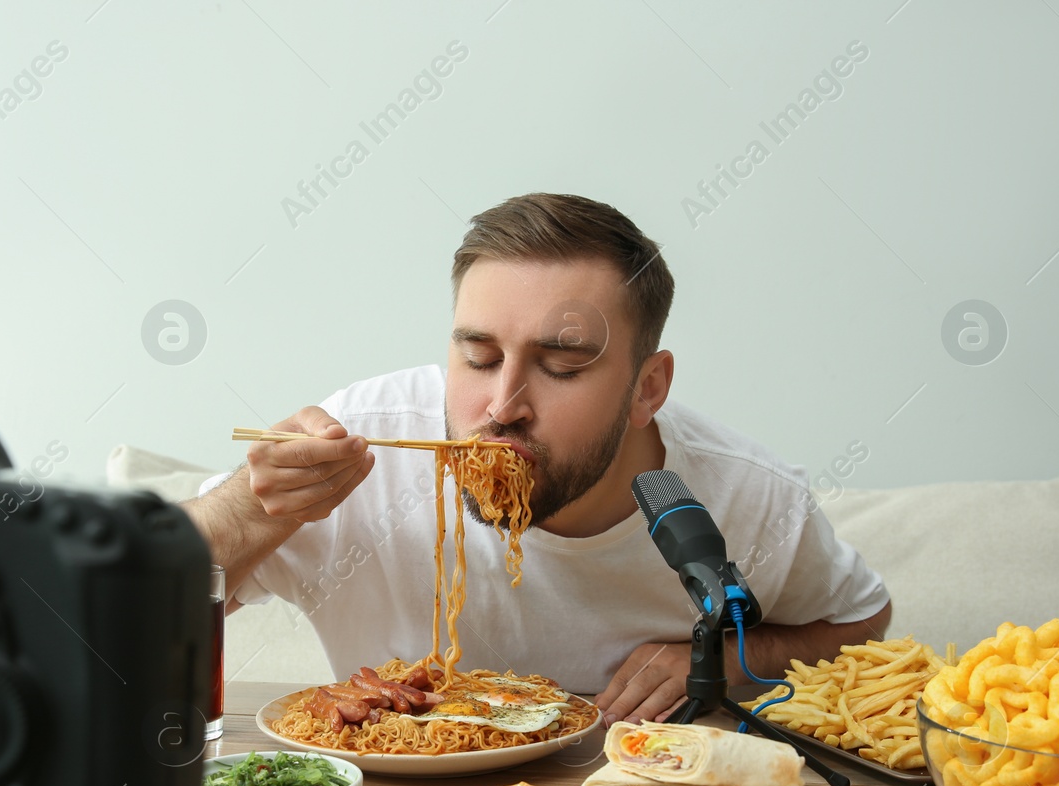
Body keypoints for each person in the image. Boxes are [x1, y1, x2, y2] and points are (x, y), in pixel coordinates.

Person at [182, 193, 890, 724]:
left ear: (649, 387)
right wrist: (248, 505)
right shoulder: (364, 444)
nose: (501, 404)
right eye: (479, 356)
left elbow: (862, 620)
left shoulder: (743, 497)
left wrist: (725, 660)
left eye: (561, 365)